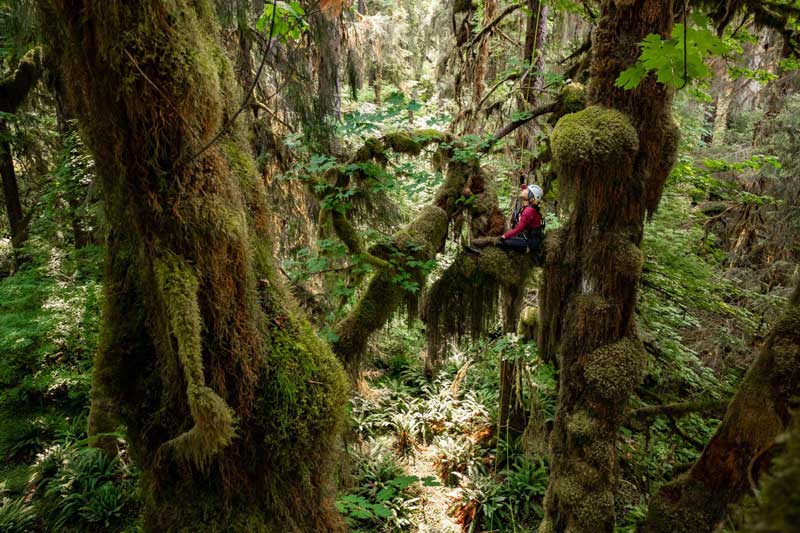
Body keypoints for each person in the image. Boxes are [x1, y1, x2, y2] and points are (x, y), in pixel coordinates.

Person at [498, 183, 545, 254]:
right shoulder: (530, 208)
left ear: (531, 196)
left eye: (527, 190)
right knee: (505, 239)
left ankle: (527, 250)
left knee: (503, 242)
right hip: (530, 239)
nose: (524, 190)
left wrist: (504, 236)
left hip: (531, 243)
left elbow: (519, 229)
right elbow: (522, 187)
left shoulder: (529, 211)